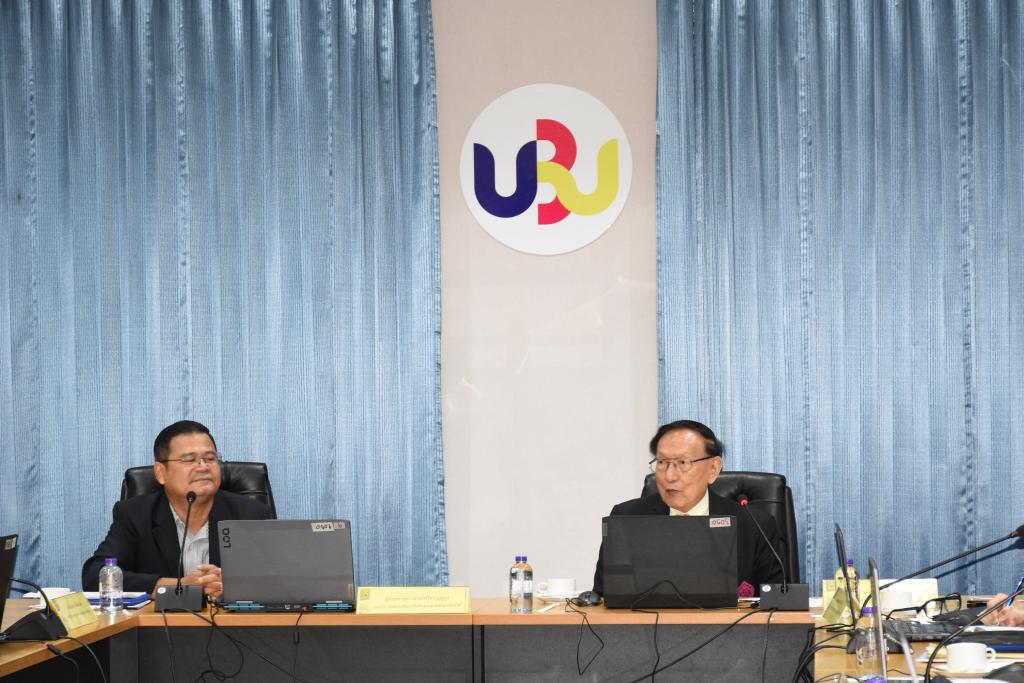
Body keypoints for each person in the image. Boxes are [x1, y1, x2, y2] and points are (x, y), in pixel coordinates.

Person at [590, 419, 785, 597]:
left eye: (683, 463)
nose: (670, 476)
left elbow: (777, 604)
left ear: (713, 469)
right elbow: (602, 598)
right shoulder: (625, 519)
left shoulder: (755, 525)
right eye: (662, 463)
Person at [82, 420, 272, 598]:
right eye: (189, 460)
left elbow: (277, 579)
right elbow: (96, 575)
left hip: (230, 621)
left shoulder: (250, 514)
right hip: (160, 622)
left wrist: (235, 585)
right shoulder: (135, 514)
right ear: (160, 473)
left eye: (210, 458)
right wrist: (177, 586)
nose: (203, 467)